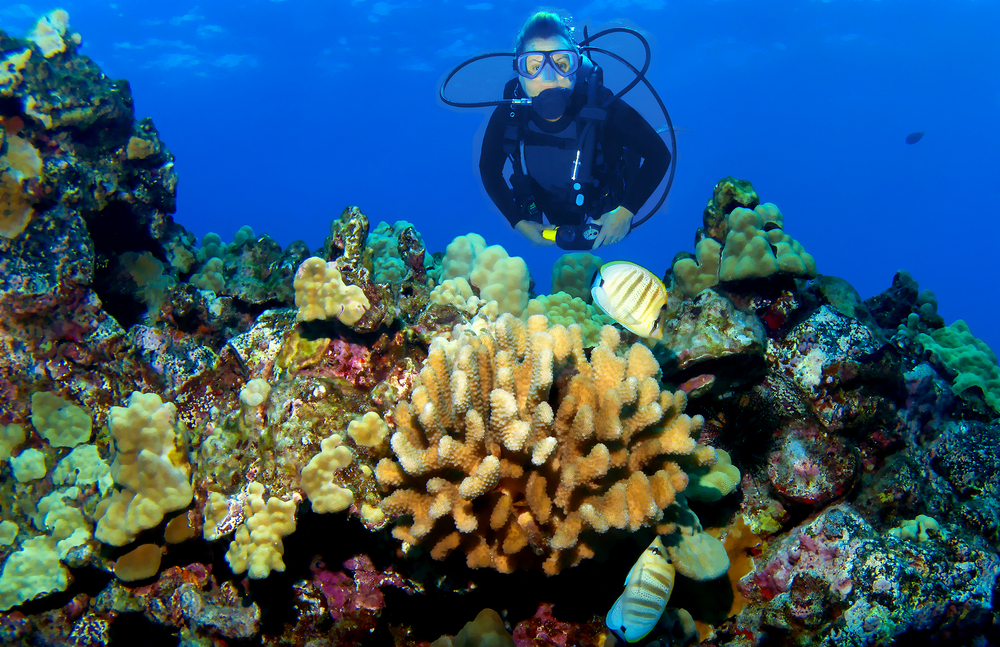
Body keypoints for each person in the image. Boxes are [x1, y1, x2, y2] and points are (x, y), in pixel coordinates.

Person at [479, 12, 670, 249]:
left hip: (604, 201)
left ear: (575, 66)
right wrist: (518, 222)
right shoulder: (509, 115)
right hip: (545, 204)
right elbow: (488, 168)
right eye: (534, 66)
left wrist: (625, 212)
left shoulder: (603, 106)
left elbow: (659, 155)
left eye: (561, 64)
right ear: (519, 72)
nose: (549, 78)